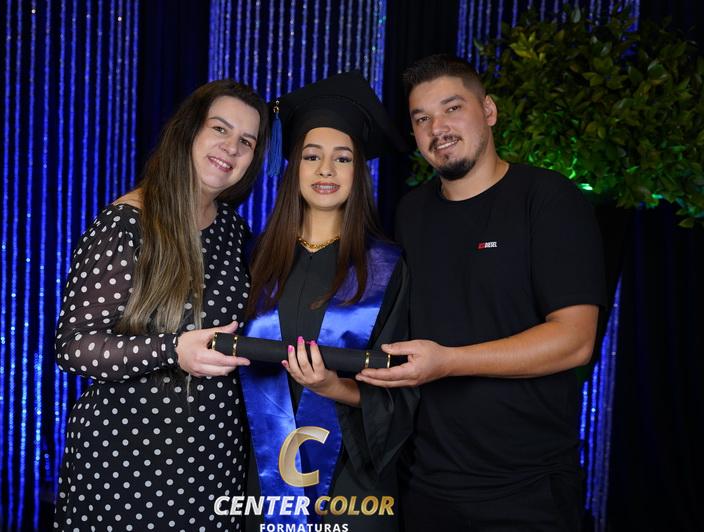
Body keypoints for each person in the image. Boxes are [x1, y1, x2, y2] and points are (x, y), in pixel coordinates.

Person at [357, 54, 607, 531]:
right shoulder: (411, 212)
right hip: (425, 483)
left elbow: (575, 340)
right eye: (422, 119)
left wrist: (449, 362)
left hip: (526, 489)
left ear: (488, 111)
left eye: (452, 108)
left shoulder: (548, 198)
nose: (438, 128)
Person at [52, 79, 269, 531]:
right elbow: (73, 346)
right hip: (127, 465)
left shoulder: (234, 231)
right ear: (189, 131)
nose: (231, 148)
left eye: (246, 141)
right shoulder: (127, 222)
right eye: (220, 129)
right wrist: (173, 350)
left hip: (215, 465)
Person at [242, 70, 415, 529]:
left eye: (343, 158)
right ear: (293, 166)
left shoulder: (388, 268)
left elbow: (405, 391)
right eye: (311, 156)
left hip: (352, 484)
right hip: (261, 477)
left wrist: (333, 388)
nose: (325, 170)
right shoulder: (254, 261)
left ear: (359, 172)